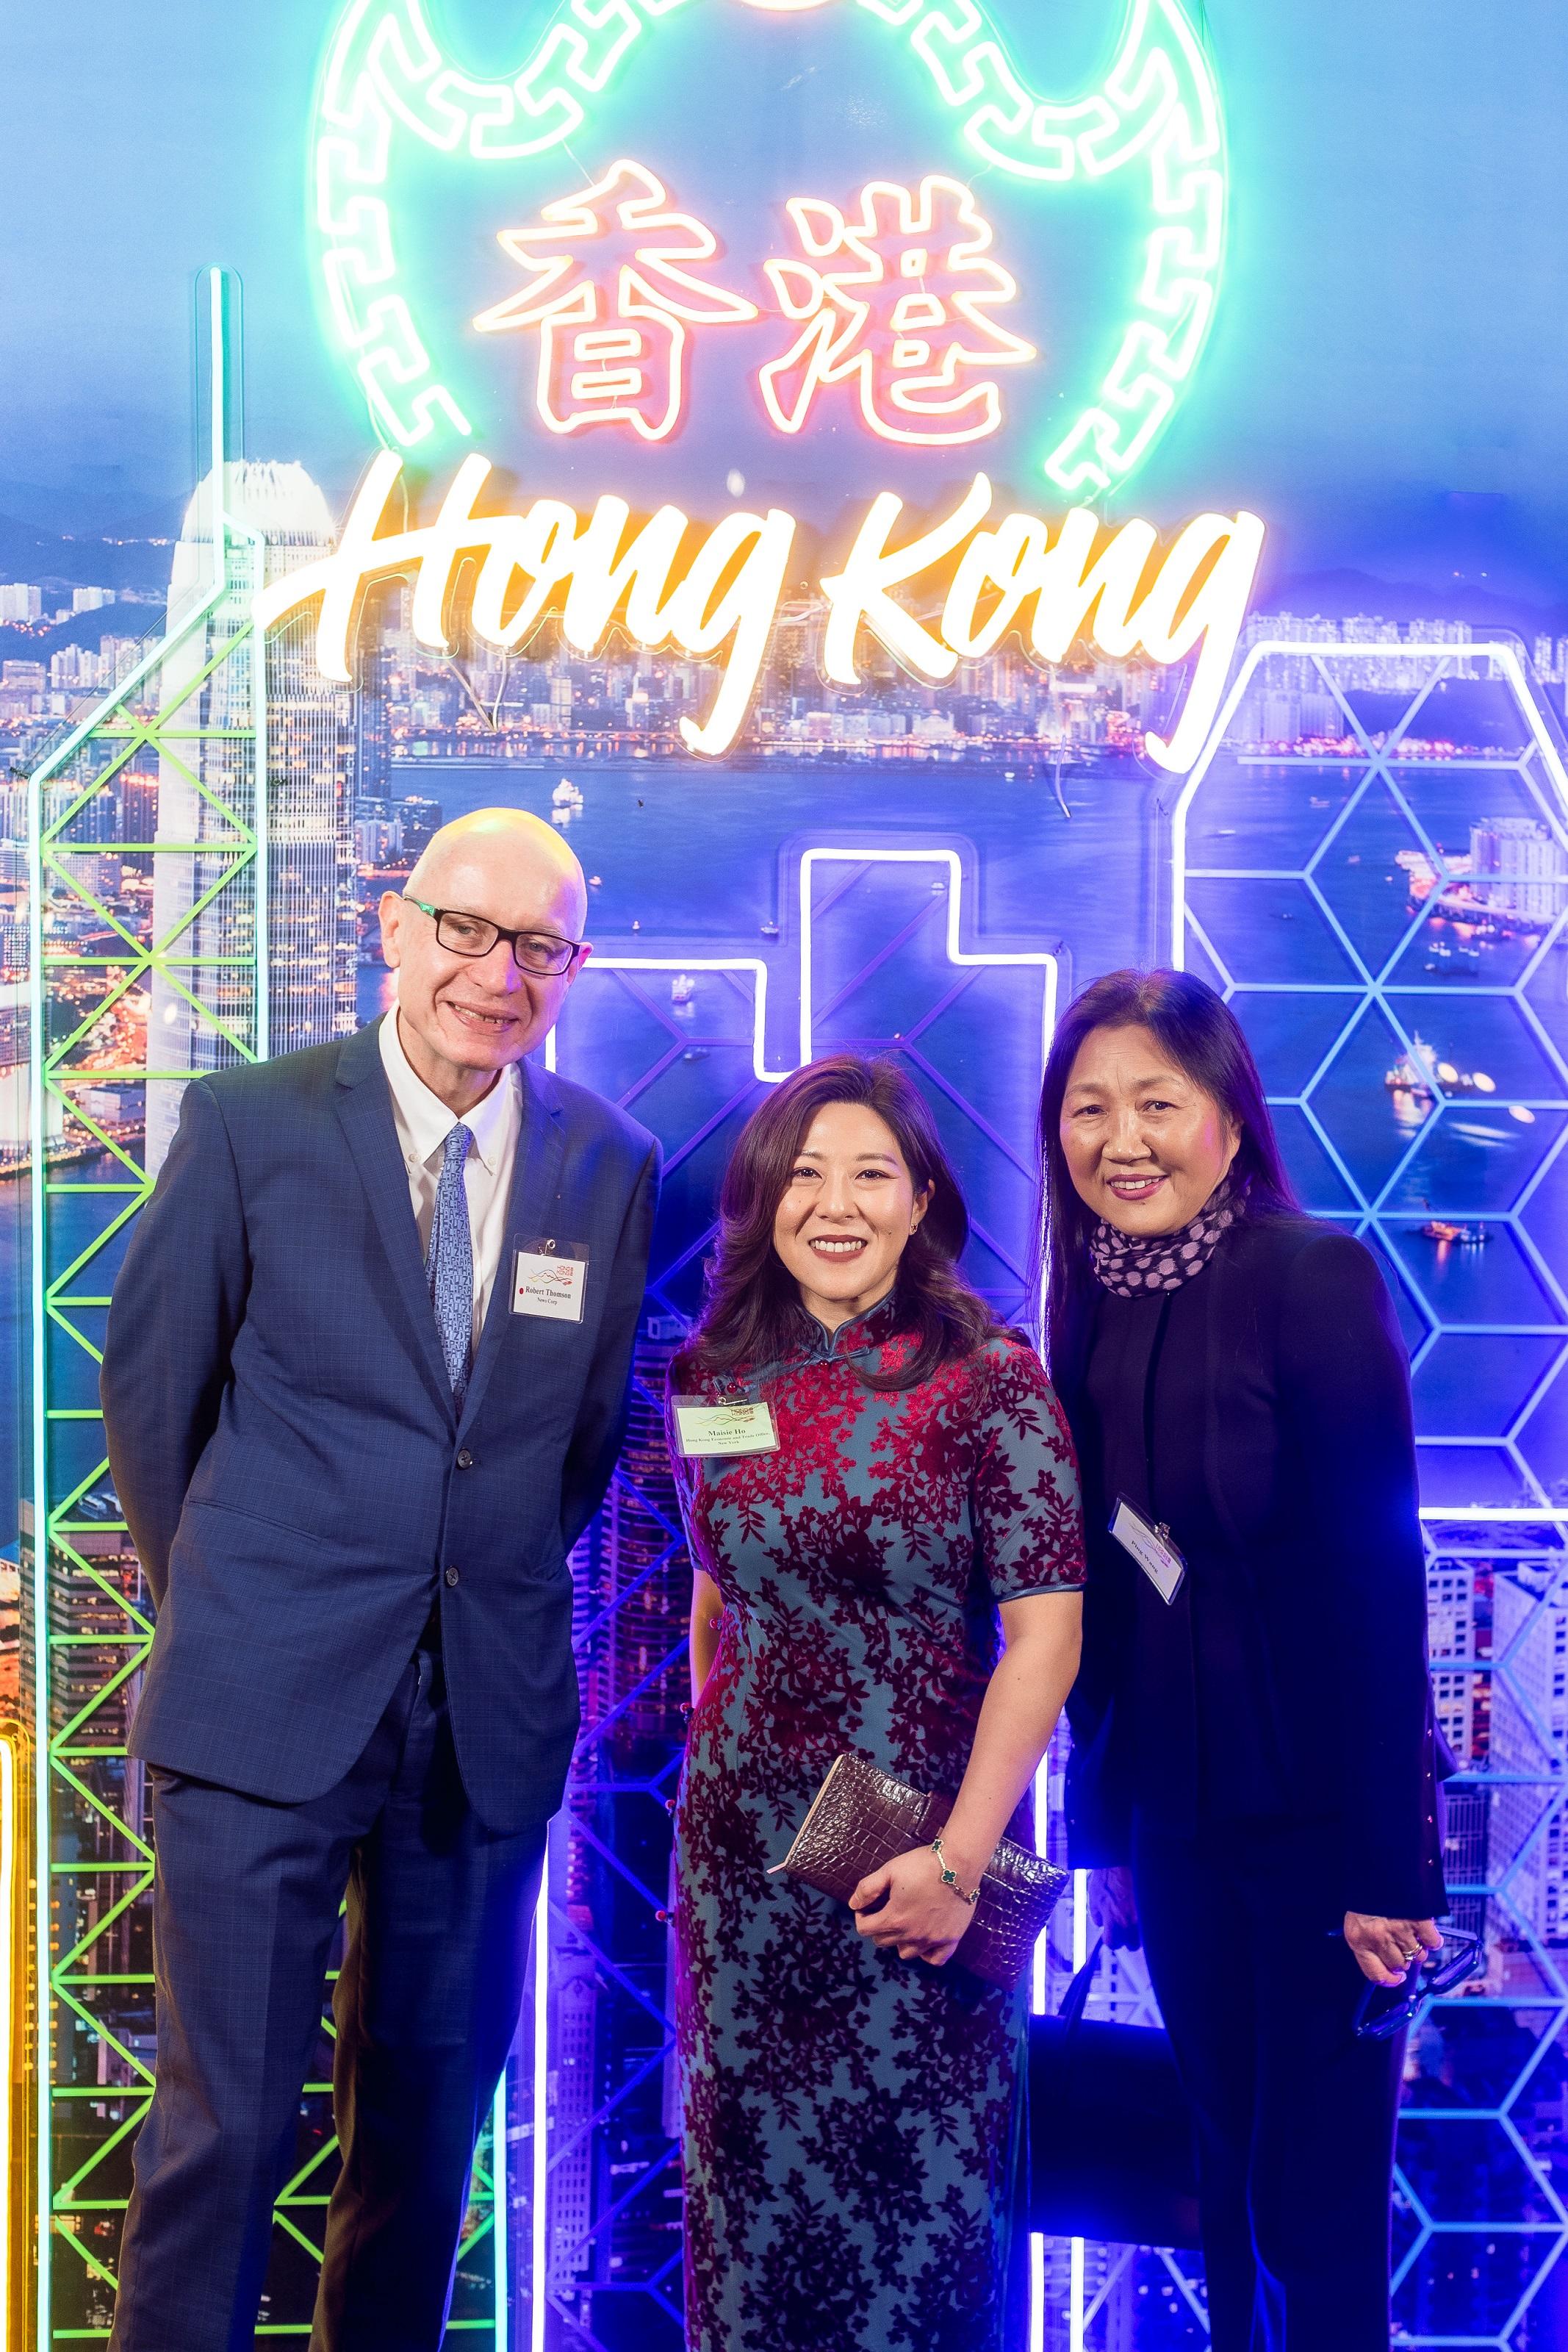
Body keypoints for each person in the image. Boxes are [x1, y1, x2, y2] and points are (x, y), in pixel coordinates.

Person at [100, 808, 658, 2351]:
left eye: (537, 947)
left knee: (424, 2142)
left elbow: (575, 1443)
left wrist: (458, 1586)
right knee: (221, 2136)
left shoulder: (607, 1163)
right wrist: (245, 1600)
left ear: (571, 968)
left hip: (479, 1723)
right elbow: (153, 1402)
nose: (497, 973)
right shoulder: (250, 1123)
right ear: (393, 930)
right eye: (465, 931)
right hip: (260, 1701)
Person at [1040, 967, 1445, 2351]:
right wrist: (1111, 1833)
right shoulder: (1095, 1294)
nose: (1122, 1140)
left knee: (1311, 2214)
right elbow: (1110, 1580)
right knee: (1219, 2184)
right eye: (1089, 1109)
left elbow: (1379, 1576)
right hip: (1177, 1821)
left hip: (1321, 1832)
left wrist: (1388, 1869)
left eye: (1156, 1102)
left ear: (1225, 1113)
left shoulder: (1307, 1276)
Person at [669, 1054, 1085, 2352]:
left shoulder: (990, 1377)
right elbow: (717, 1594)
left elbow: (1046, 1640)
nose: (834, 1205)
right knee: (748, 2224)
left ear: (919, 1201)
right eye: (803, 1175)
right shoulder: (713, 1379)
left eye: (869, 1174)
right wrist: (726, 1765)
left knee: (922, 2229)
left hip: (918, 1864)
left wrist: (958, 1865)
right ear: (763, 1197)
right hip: (742, 1880)